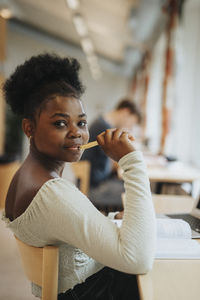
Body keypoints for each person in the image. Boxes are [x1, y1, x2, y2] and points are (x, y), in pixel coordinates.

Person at [2, 53, 156, 300]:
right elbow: (138, 260)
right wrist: (132, 161)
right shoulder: (51, 193)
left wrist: (108, 219)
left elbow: (63, 223)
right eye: (61, 123)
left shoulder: (29, 176)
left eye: (81, 123)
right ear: (29, 128)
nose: (76, 133)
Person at [81, 99, 141, 211]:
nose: (130, 127)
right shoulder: (104, 129)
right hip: (95, 188)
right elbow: (113, 164)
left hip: (93, 183)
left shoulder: (101, 123)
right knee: (138, 194)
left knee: (132, 187)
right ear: (126, 112)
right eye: (131, 123)